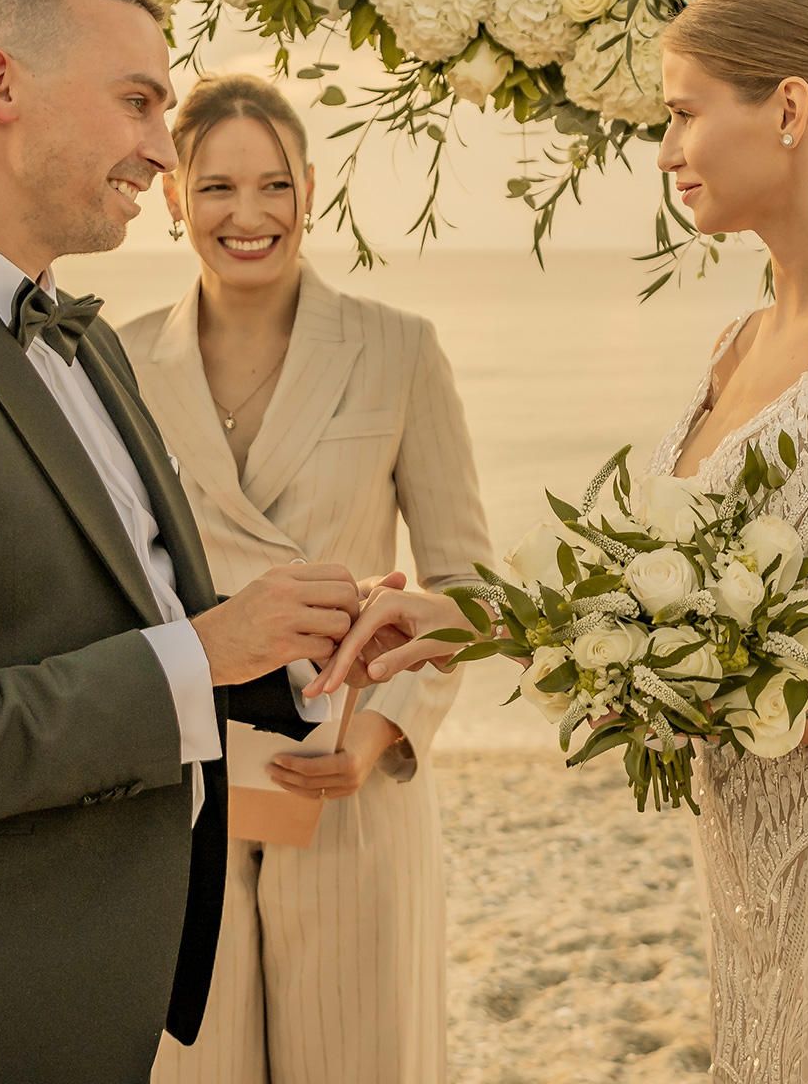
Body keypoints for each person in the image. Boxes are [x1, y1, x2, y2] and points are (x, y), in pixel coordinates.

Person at [321, 0, 808, 1082]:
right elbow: (669, 609)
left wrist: (771, 704)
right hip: (737, 853)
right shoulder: (739, 343)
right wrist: (471, 619)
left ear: (788, 109)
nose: (662, 152)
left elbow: (734, 664)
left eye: (683, 113)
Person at [0, 0, 361, 1084]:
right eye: (138, 101)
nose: (165, 149)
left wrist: (294, 653)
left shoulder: (86, 336)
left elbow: (121, 617)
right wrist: (205, 649)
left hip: (108, 992)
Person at [118, 72, 492, 1084]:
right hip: (176, 791)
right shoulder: (113, 360)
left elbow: (473, 587)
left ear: (312, 189)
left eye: (274, 184)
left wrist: (378, 734)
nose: (249, 214)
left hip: (349, 782)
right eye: (217, 188)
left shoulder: (398, 348)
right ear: (172, 198)